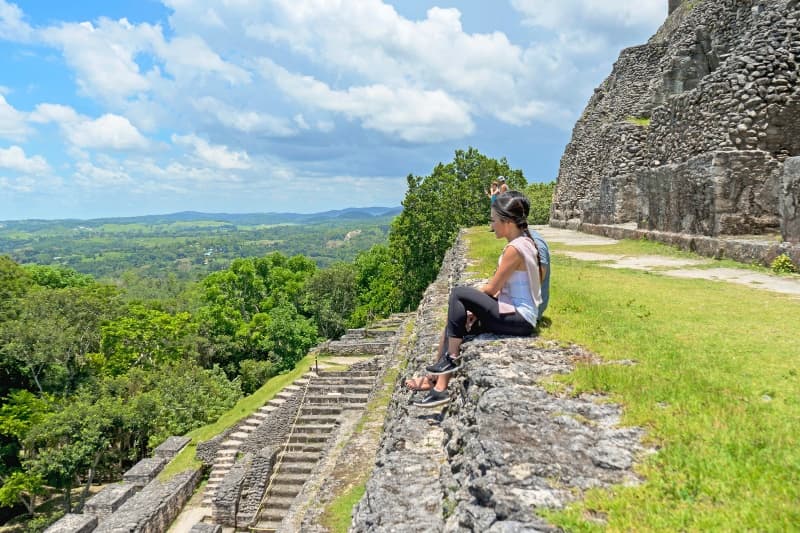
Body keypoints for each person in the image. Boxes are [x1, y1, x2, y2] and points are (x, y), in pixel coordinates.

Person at [407, 190, 544, 407]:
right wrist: (476, 308)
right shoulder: (525, 242)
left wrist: (476, 298)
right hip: (518, 316)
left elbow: (492, 288)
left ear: (507, 222)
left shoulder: (514, 249)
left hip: (519, 318)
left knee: (459, 294)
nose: (491, 225)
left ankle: (450, 360)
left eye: (494, 220)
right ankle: (439, 388)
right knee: (456, 321)